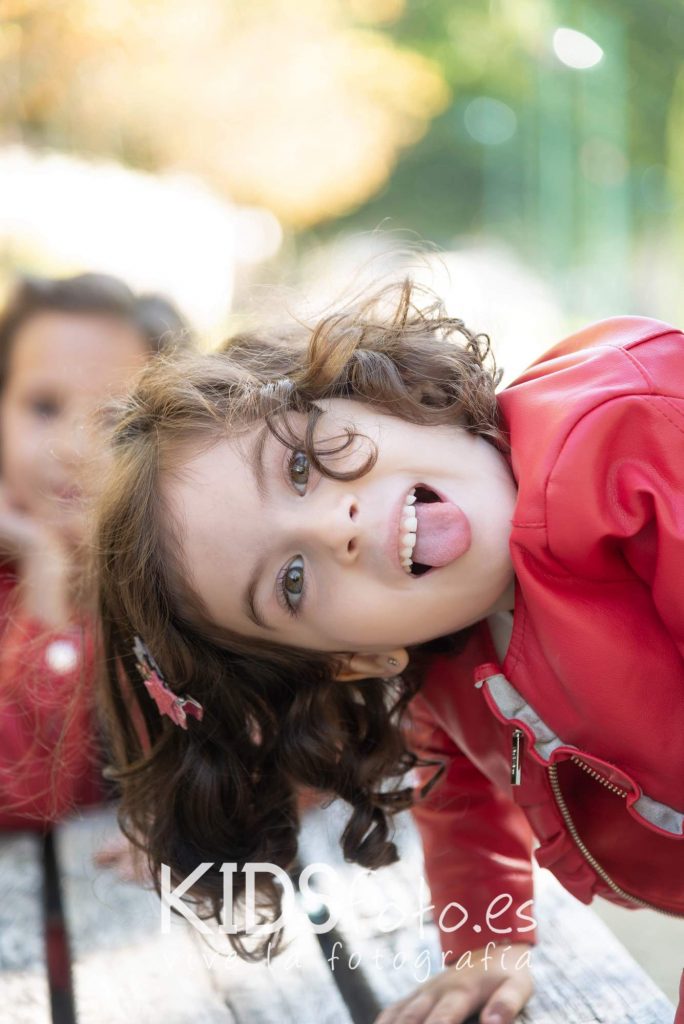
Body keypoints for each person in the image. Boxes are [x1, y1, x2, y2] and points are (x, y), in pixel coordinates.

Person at [92, 280, 683, 1024]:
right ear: (353, 659)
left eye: (299, 466)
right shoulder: (448, 671)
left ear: (365, 387)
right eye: (294, 580)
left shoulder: (630, 443)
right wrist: (487, 945)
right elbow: (457, 793)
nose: (333, 526)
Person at [0, 271, 190, 829]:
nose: (73, 447)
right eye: (43, 407)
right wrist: (44, 570)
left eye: (114, 418)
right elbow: (24, 788)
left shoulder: (188, 592)